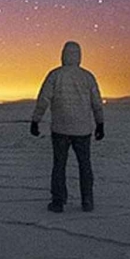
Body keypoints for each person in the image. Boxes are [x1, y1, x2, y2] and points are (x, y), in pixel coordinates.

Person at [29, 39, 105, 212]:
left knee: (59, 166)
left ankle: (58, 202)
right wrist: (100, 123)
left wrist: (36, 120)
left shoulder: (55, 75)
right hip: (83, 130)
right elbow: (96, 103)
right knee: (85, 165)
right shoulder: (87, 76)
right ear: (79, 56)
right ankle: (87, 200)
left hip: (60, 129)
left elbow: (43, 100)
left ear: (63, 55)